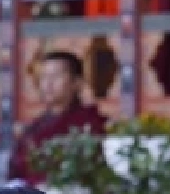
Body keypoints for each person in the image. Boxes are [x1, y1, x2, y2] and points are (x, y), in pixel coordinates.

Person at [10, 52, 107, 185]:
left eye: (56, 76)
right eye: (43, 77)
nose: (48, 84)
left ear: (77, 83)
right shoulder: (34, 128)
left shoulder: (91, 124)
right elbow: (16, 171)